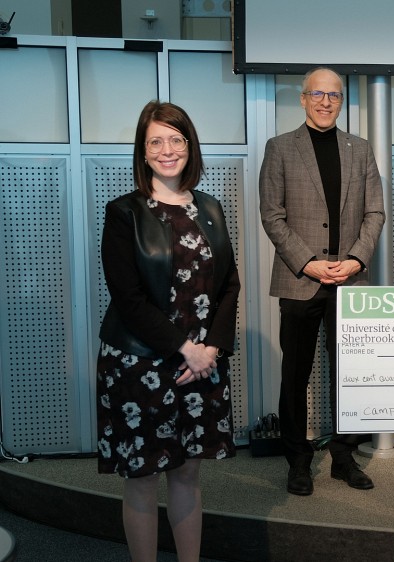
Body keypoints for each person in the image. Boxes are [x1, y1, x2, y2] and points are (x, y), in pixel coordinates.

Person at [96, 101, 240, 562]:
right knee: (141, 478)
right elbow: (128, 298)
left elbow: (229, 284)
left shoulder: (211, 209)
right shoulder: (124, 214)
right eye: (155, 141)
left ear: (190, 146)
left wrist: (211, 348)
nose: (167, 150)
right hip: (142, 365)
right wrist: (186, 350)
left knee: (187, 474)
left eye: (176, 139)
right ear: (142, 152)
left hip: (201, 366)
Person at [259, 67, 385, 496]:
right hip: (300, 280)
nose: (326, 102)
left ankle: (344, 457)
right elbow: (272, 216)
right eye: (318, 94)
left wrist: (355, 259)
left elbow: (375, 213)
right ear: (303, 98)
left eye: (334, 95)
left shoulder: (361, 149)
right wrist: (308, 262)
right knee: (295, 373)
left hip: (350, 281)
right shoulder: (280, 148)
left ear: (342, 100)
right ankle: (297, 460)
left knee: (349, 374)